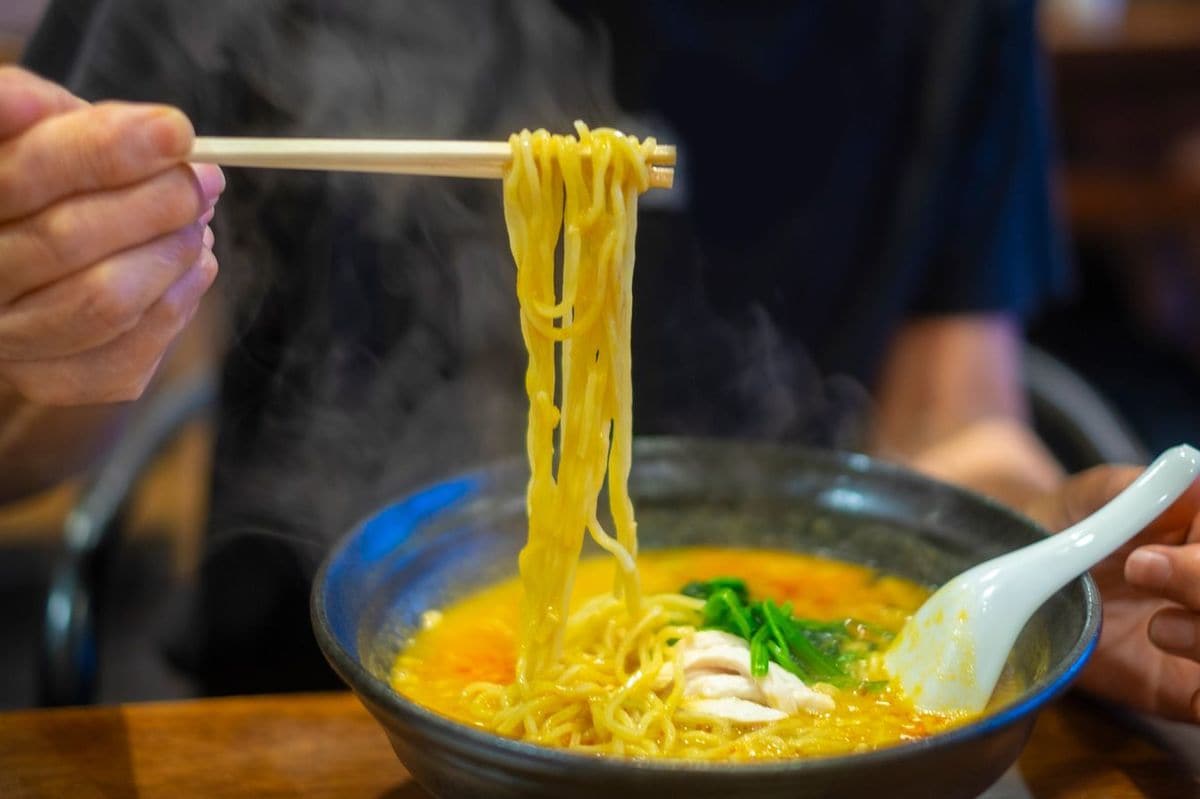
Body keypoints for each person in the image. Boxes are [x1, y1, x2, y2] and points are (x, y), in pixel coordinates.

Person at [5, 0, 1199, 722]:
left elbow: (952, 417)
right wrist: (38, 332)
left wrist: (1052, 550)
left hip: (819, 733)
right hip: (320, 709)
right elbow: (35, 436)